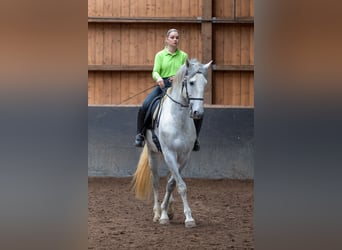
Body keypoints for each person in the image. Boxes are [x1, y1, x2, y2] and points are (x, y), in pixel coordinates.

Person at [134, 28, 203, 151]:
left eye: (177, 37)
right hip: (162, 85)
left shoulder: (183, 56)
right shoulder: (160, 55)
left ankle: (195, 139)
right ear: (166, 39)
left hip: (178, 88)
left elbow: (187, 73)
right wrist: (159, 78)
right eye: (172, 37)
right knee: (145, 105)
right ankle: (140, 134)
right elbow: (155, 71)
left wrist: (177, 78)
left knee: (197, 109)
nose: (175, 40)